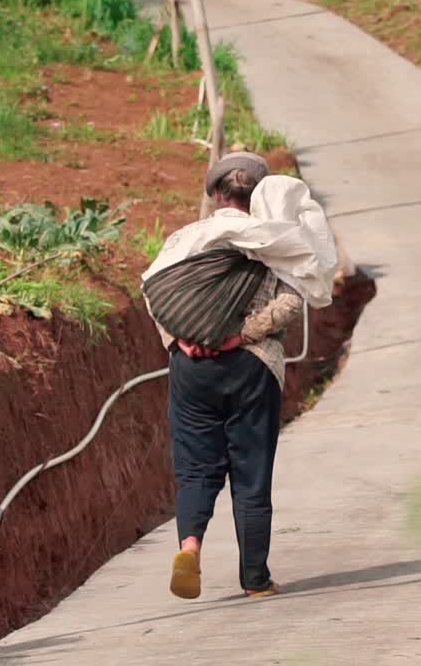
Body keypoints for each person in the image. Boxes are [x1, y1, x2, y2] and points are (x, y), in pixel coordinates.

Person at [141, 152, 336, 601]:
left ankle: (190, 547)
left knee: (195, 470)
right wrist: (239, 336)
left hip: (190, 368)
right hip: (253, 366)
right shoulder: (277, 238)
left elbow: (155, 291)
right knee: (250, 475)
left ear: (215, 195)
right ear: (262, 196)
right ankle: (255, 580)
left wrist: (183, 338)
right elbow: (290, 304)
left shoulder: (187, 239)